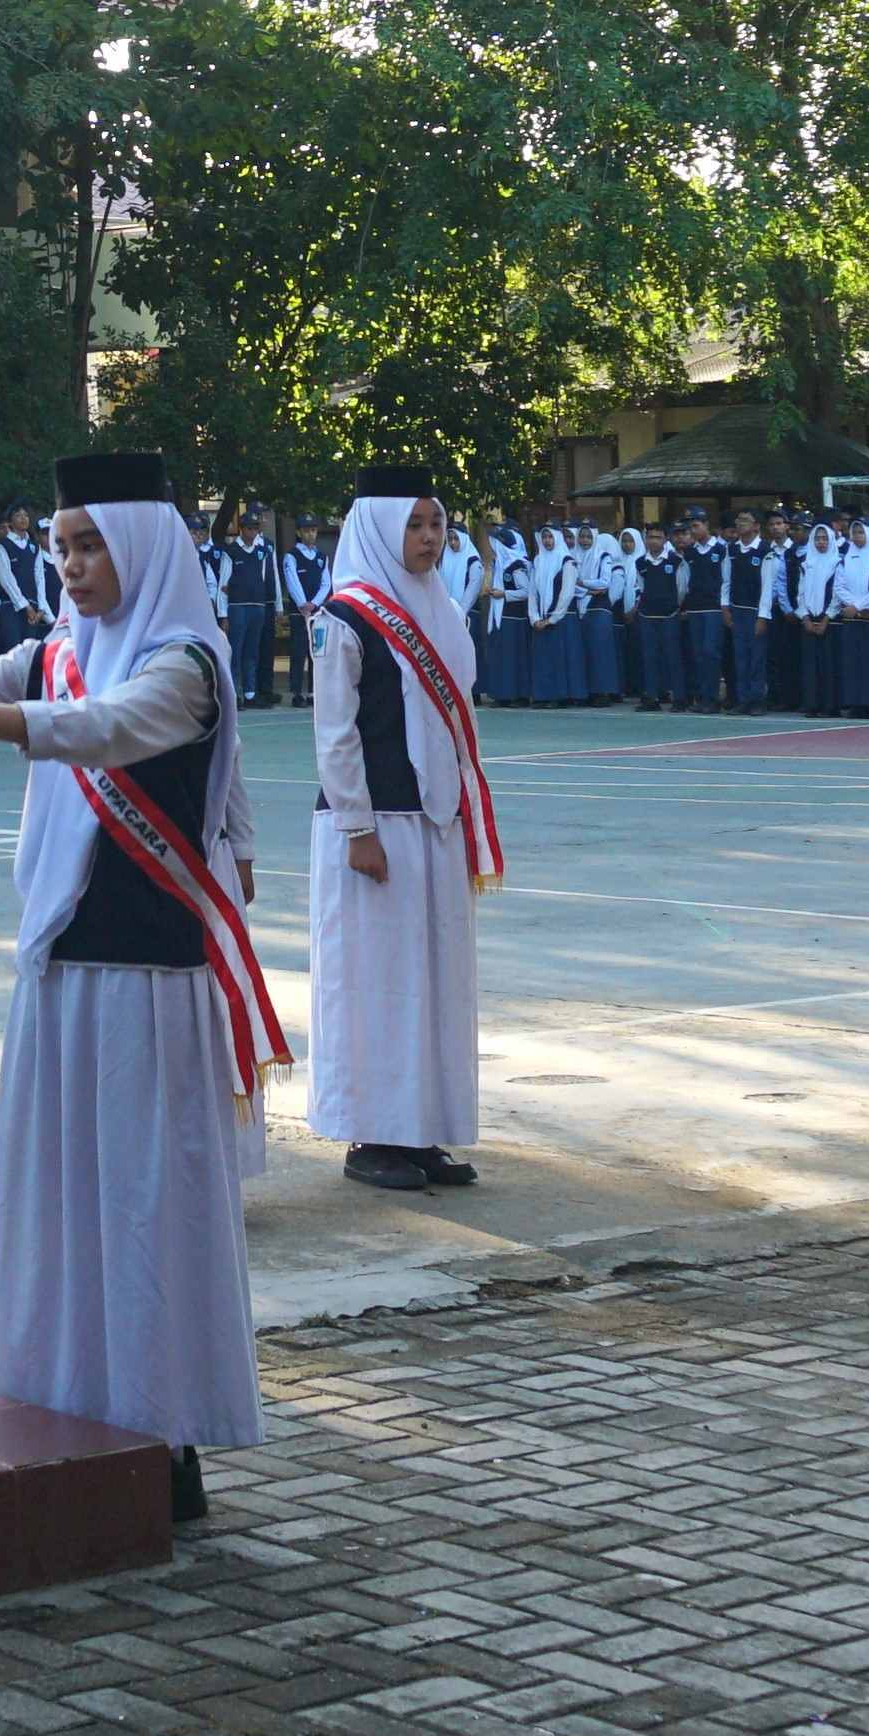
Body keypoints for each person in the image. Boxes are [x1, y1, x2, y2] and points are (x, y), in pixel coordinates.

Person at [0, 450, 280, 1526]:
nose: (69, 562)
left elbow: (96, 729)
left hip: (147, 990)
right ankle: (62, 1412)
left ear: (143, 541)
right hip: (59, 976)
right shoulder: (60, 648)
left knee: (144, 1210)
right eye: (60, 542)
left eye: (88, 541)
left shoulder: (186, 664)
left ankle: (160, 1434)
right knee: (62, 1205)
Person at [306, 468, 497, 1195]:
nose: (427, 537)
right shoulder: (345, 615)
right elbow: (333, 733)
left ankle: (420, 1129)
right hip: (374, 825)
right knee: (377, 983)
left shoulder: (441, 606)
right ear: (381, 529)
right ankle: (370, 1133)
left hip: (435, 820)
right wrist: (357, 826)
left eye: (434, 523)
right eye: (413, 524)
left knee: (434, 980)